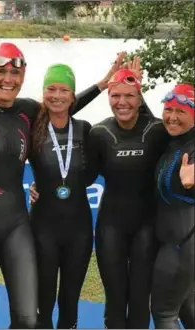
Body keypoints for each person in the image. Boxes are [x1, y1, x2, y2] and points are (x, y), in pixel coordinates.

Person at [0, 42, 123, 329]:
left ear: (23, 77)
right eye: (1, 71)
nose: (7, 79)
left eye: (15, 72)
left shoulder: (33, 113)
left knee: (28, 317)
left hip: (23, 226)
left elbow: (65, 107)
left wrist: (102, 84)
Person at [88, 67, 170, 329]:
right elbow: (83, 177)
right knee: (115, 298)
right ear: (109, 97)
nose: (122, 103)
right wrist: (44, 186)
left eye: (129, 96)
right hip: (110, 225)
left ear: (139, 97)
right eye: (115, 96)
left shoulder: (158, 130)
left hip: (147, 226)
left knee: (139, 298)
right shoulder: (99, 134)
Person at [28, 64, 100, 329]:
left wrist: (103, 84)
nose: (57, 95)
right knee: (43, 301)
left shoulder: (85, 128)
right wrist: (38, 184)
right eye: (51, 89)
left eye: (64, 90)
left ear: (73, 97)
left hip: (78, 230)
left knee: (70, 301)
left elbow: (91, 174)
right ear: (43, 92)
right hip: (42, 229)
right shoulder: (33, 128)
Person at [151, 84, 195, 329]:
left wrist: (191, 184)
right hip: (177, 242)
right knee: (187, 308)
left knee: (164, 312)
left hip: (182, 242)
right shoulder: (174, 141)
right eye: (168, 110)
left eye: (181, 111)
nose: (172, 117)